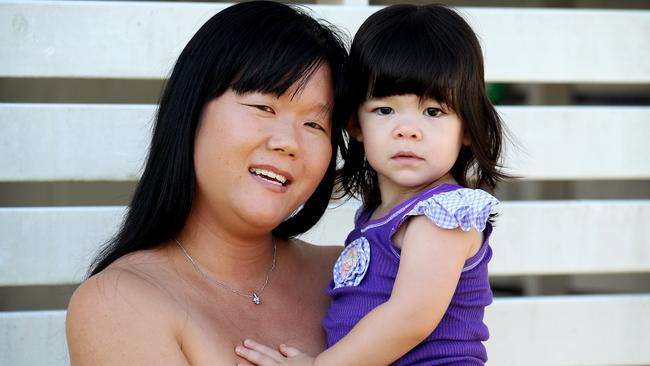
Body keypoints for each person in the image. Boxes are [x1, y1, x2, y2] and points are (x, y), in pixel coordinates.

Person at [65, 1, 349, 364]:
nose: (289, 142)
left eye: (315, 124)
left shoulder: (352, 274)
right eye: (264, 107)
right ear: (191, 110)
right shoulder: (120, 302)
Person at [236, 4, 509, 365]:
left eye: (433, 112)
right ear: (356, 124)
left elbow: (410, 318)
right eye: (385, 110)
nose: (407, 129)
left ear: (469, 128)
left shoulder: (444, 214)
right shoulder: (378, 216)